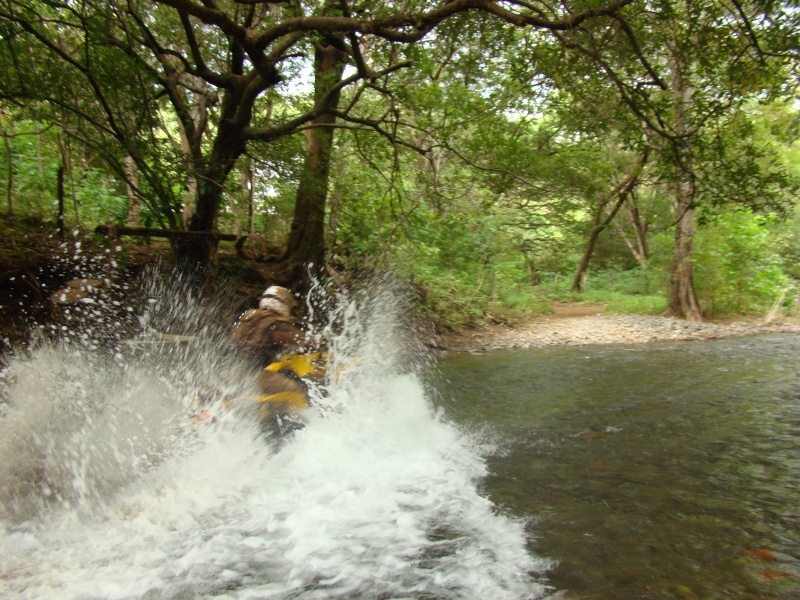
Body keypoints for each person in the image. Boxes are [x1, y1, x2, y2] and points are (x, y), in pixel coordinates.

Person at [229, 286, 322, 430]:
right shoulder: (273, 324)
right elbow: (304, 340)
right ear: (283, 304)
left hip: (230, 373)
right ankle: (310, 428)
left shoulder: (245, 317)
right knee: (298, 391)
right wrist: (322, 342)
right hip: (254, 375)